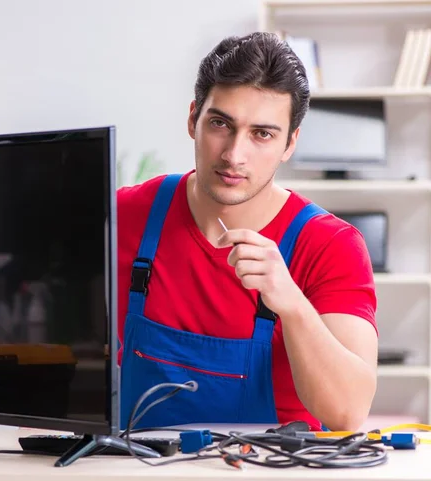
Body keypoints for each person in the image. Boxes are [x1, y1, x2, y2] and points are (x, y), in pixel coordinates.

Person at [116, 32, 378, 432]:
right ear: (193, 119)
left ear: (290, 143)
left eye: (262, 134)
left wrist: (291, 302)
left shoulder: (330, 245)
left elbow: (347, 413)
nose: (234, 155)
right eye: (221, 124)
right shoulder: (126, 215)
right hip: (133, 468)